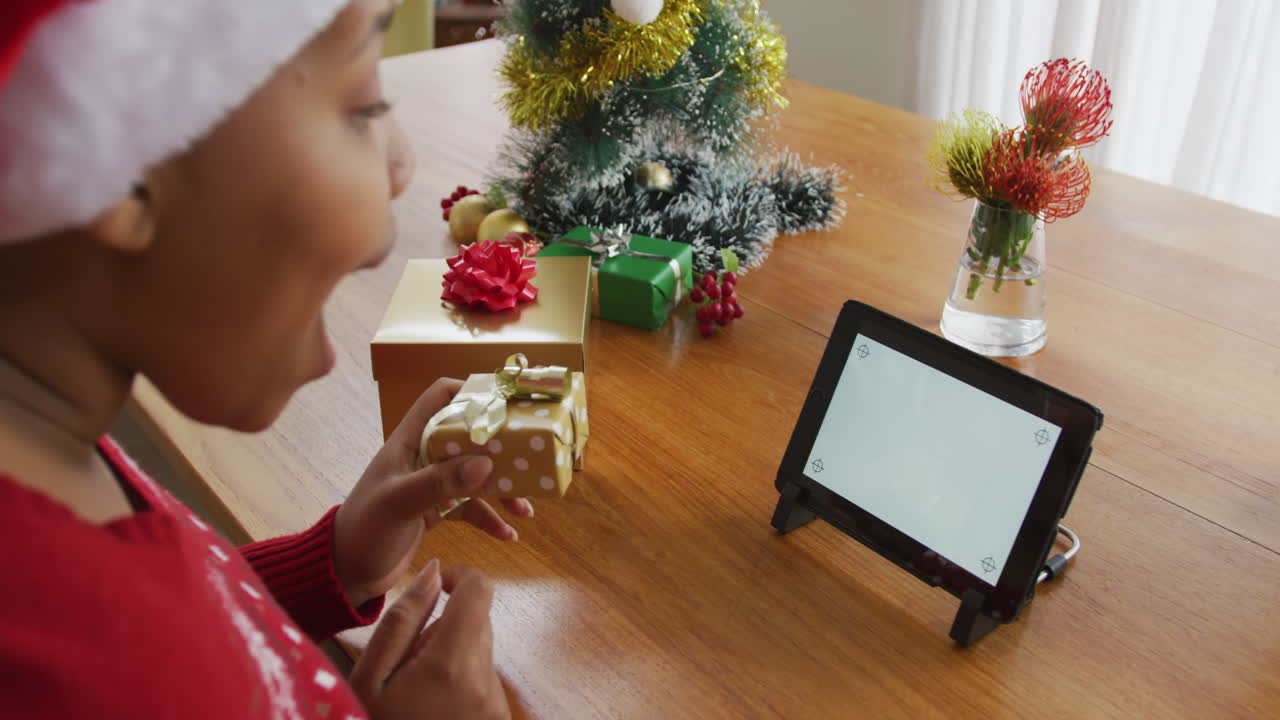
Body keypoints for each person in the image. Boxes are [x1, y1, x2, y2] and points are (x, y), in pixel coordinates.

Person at [0, 1, 531, 717]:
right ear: (122, 166)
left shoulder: (48, 462)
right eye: (364, 106)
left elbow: (184, 634)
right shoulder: (95, 671)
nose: (403, 162)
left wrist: (334, 562)